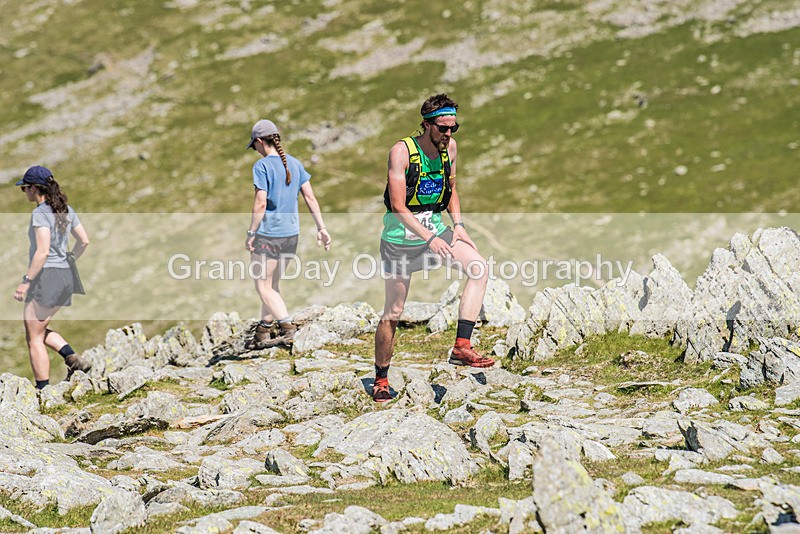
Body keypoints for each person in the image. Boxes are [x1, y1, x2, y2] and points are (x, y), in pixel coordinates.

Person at [373, 93, 494, 403]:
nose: (448, 134)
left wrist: (459, 226)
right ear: (426, 125)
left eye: (454, 128)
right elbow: (398, 206)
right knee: (394, 312)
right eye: (442, 128)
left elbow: (451, 189)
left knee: (479, 268)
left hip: (437, 234)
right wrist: (429, 237)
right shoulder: (401, 152)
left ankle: (461, 347)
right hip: (401, 240)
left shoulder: (449, 149)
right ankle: (381, 378)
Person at [244, 119, 331, 349]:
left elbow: (260, 203)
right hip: (291, 235)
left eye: (254, 146)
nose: (255, 150)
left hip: (269, 235)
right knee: (272, 284)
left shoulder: (261, 167)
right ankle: (263, 330)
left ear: (260, 141)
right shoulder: (295, 163)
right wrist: (321, 228)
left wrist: (252, 232)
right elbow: (310, 198)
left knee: (262, 286)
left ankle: (287, 328)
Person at [13, 166, 92, 389]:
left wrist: (25, 281)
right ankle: (71, 357)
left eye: (25, 188)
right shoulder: (66, 209)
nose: (24, 193)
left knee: (34, 337)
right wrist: (70, 260)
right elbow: (84, 240)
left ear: (34, 188)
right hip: (66, 276)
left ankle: (43, 390)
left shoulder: (40, 214)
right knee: (37, 328)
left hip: (47, 277)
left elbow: (43, 251)